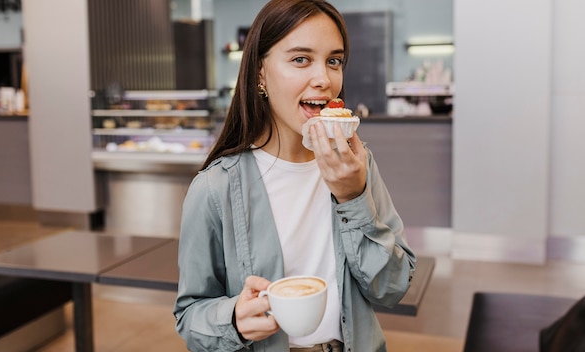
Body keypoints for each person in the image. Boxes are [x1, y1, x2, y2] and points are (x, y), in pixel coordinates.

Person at [173, 0, 416, 351]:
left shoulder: (356, 164)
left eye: (334, 61)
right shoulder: (215, 188)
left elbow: (392, 288)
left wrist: (353, 195)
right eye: (301, 59)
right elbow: (190, 316)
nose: (324, 79)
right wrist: (234, 320)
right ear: (260, 73)